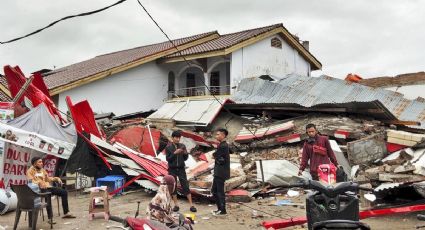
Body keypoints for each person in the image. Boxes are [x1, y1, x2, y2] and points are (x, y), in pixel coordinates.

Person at [27, 157, 76, 224]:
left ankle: (66, 213)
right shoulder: (30, 171)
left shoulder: (42, 170)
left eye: (41, 162)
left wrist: (56, 178)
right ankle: (50, 218)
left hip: (47, 187)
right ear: (35, 164)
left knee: (64, 192)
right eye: (40, 162)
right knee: (48, 195)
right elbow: (31, 181)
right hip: (38, 189)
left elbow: (48, 179)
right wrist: (39, 182)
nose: (42, 163)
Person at [164, 130, 197, 213]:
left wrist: (185, 153)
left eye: (179, 138)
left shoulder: (182, 146)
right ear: (172, 138)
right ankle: (176, 205)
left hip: (181, 168)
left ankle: (191, 205)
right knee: (173, 187)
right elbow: (168, 159)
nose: (178, 139)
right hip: (172, 169)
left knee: (185, 185)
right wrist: (175, 153)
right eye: (176, 137)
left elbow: (185, 158)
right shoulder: (168, 147)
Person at [211, 128, 230, 216]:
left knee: (219, 191)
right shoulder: (222, 145)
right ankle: (220, 209)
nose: (216, 136)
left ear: (223, 135)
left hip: (221, 172)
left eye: (218, 134)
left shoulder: (223, 145)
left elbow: (221, 160)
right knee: (214, 191)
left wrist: (215, 156)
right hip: (218, 172)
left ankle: (222, 210)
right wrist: (216, 155)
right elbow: (218, 155)